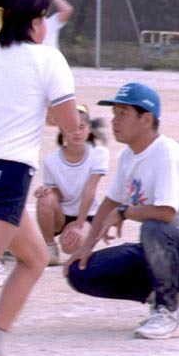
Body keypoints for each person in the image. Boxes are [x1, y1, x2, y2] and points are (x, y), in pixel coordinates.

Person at [65, 82, 179, 340]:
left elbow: (166, 213)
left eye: (123, 113)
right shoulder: (129, 155)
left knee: (153, 227)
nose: (114, 121)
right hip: (160, 249)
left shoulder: (167, 153)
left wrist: (125, 212)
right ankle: (161, 292)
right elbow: (109, 202)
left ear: (146, 119)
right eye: (114, 113)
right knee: (80, 272)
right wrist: (86, 247)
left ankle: (168, 312)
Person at [0, 0, 80, 356]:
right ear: (31, 21)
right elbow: (70, 125)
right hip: (4, 178)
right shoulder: (47, 60)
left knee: (35, 257)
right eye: (43, 17)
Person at [35, 105, 109, 266]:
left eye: (81, 127)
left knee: (71, 245)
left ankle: (82, 235)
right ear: (62, 131)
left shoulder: (99, 154)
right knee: (45, 199)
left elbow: (90, 190)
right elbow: (57, 194)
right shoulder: (51, 160)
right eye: (71, 128)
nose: (77, 133)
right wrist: (47, 192)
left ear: (89, 129)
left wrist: (79, 224)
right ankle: (49, 246)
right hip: (62, 214)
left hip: (87, 214)